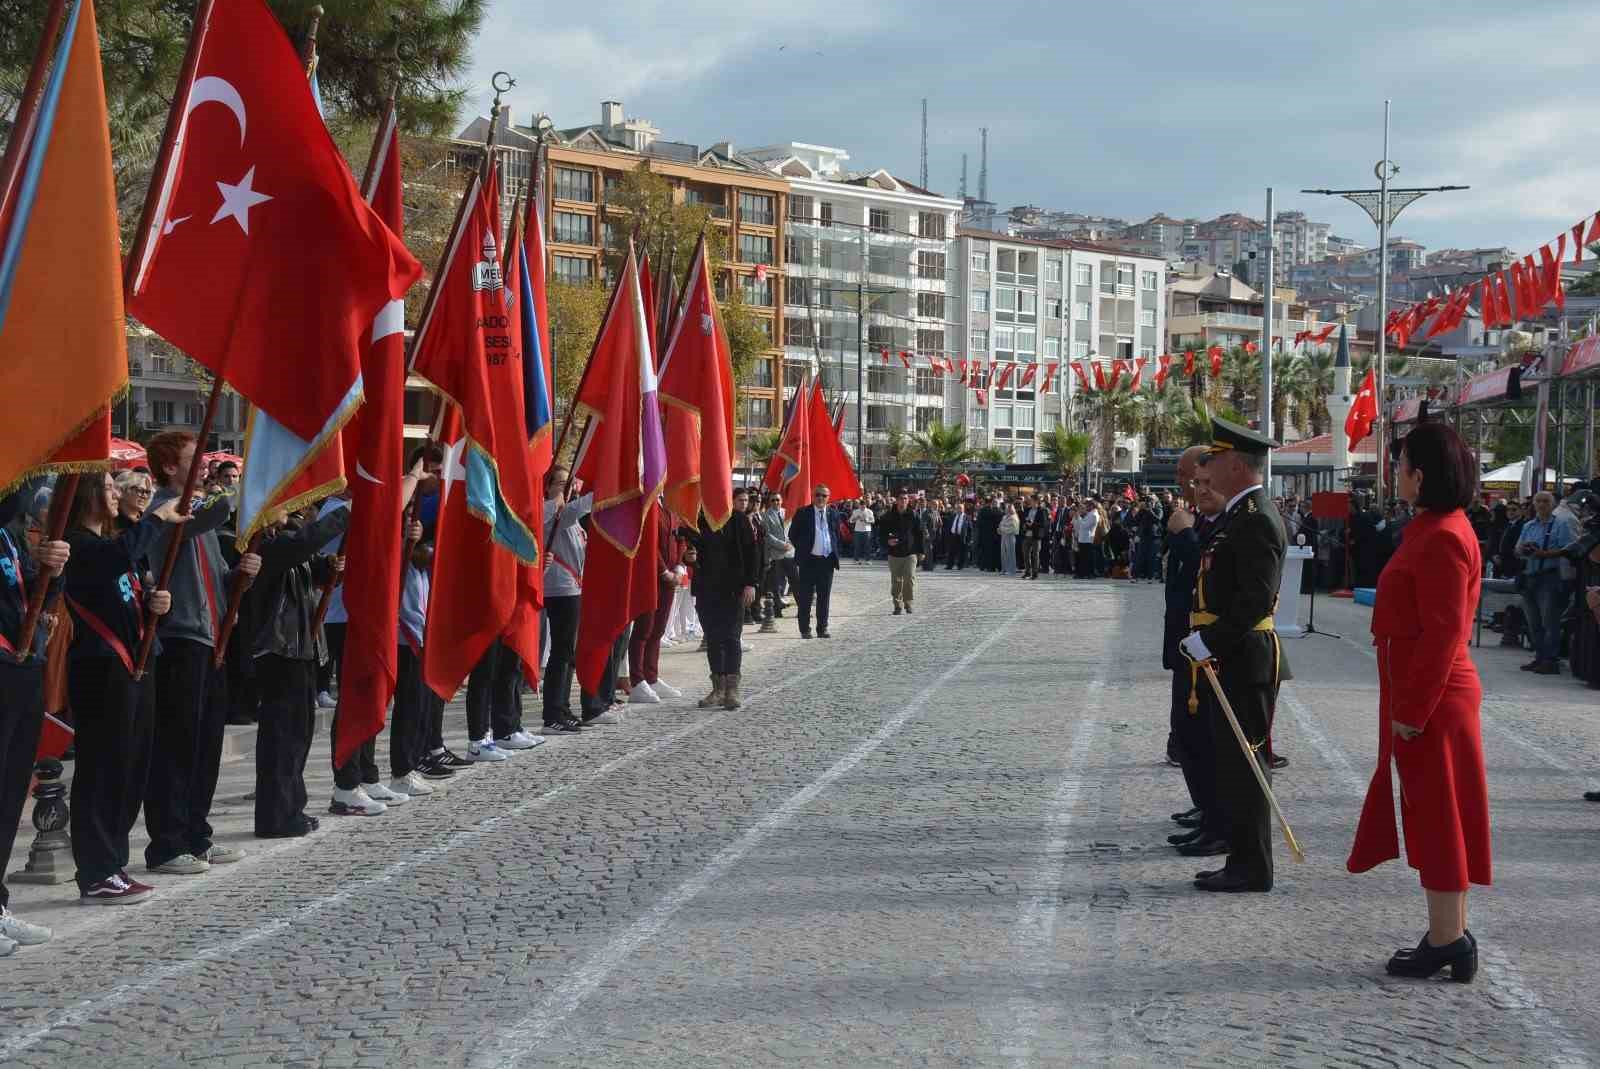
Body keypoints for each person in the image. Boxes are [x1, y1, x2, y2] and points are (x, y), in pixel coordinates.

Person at [1348, 422, 1489, 982]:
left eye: (1401, 463)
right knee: (1438, 814)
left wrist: (1413, 709)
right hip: (1425, 691)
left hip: (1435, 696)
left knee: (1439, 817)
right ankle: (1449, 932)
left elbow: (1445, 632)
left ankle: (1447, 940)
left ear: (1420, 475)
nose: (1395, 471)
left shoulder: (1444, 536)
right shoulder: (1432, 528)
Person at [61, 474, 189, 903]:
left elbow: (134, 593)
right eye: (109, 487)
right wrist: (155, 518)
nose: (116, 493)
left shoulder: (119, 546)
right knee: (102, 770)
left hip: (137, 664)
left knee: (131, 767)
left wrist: (159, 607)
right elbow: (115, 557)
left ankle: (114, 861)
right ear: (86, 495)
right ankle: (96, 869)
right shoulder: (79, 544)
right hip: (101, 667)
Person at [1178, 417, 1290, 894]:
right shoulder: (1238, 515)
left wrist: (1212, 640)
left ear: (1239, 465)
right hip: (1233, 655)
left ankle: (1254, 866)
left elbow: (1255, 599)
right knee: (1232, 762)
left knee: (1247, 764)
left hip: (1246, 656)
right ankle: (1241, 858)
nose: (1209, 467)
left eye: (1217, 459)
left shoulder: (1257, 518)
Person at [143, 431, 259, 876]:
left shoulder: (201, 518)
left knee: (206, 746)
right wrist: (234, 500)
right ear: (171, 466)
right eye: (197, 459)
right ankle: (167, 843)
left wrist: (242, 575)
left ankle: (196, 834)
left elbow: (219, 577)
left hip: (213, 639)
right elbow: (191, 525)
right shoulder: (163, 510)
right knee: (177, 746)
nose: (207, 466)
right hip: (181, 641)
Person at [246, 503, 348, 833]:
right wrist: (345, 511)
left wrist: (333, 567)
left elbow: (311, 566)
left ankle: (292, 807)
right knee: (281, 738)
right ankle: (275, 815)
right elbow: (301, 546)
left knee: (300, 735)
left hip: (301, 648)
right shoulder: (259, 544)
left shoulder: (286, 540)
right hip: (278, 650)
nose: (291, 508)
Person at [0, 483, 70, 946]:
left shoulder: (6, 535)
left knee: (9, 797)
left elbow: (33, 592)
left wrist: (54, 568)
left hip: (21, 668)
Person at [1163, 448, 1224, 860]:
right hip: (1187, 639)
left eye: (1195, 478)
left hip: (1205, 644)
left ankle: (1216, 821)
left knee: (1202, 737)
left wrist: (1185, 535)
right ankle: (1207, 812)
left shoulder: (1225, 522)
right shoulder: (1199, 515)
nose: (1189, 486)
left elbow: (1205, 568)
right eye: (1189, 480)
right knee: (1187, 735)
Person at [681, 485, 760, 708]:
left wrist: (750, 583)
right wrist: (689, 557)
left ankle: (732, 690)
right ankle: (718, 688)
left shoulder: (739, 520)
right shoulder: (699, 520)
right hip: (707, 589)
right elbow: (692, 554)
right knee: (713, 638)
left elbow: (752, 554)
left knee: (732, 637)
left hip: (734, 589)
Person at [541, 467, 590, 734]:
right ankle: (553, 713)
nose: (567, 487)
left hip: (572, 588)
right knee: (561, 653)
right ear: (548, 487)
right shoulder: (553, 511)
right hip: (559, 589)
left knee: (567, 653)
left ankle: (562, 706)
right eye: (560, 483)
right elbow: (581, 506)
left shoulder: (566, 513)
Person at [629, 501, 686, 701]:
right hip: (650, 576)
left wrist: (679, 567)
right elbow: (647, 543)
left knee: (658, 629)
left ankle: (651, 676)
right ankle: (637, 680)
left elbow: (680, 538)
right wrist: (663, 571)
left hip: (669, 578)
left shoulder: (670, 506)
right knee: (644, 628)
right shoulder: (648, 503)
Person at [1515, 490, 1575, 675]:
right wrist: (1524, 549)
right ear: (1534, 504)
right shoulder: (1529, 525)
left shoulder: (1561, 524)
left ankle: (1551, 660)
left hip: (1549, 576)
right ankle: (1540, 657)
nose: (1541, 505)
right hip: (1530, 575)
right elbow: (1517, 549)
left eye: (1546, 501)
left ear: (1554, 504)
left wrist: (1545, 554)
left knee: (1549, 621)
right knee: (1533, 621)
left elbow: (1569, 549)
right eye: (1538, 501)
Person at [790, 484, 840, 639]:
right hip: (808, 561)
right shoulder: (803, 512)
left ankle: (822, 628)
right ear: (813, 496)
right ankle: (805, 629)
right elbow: (793, 534)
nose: (820, 498)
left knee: (824, 597)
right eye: (818, 495)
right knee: (805, 597)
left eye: (824, 496)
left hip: (826, 561)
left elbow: (835, 534)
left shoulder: (833, 513)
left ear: (828, 498)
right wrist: (804, 549)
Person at [880, 489, 924, 614]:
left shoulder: (914, 515)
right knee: (897, 581)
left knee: (909, 578)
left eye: (905, 498)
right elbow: (881, 535)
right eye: (900, 498)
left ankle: (908, 603)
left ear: (908, 500)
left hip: (910, 553)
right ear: (896, 500)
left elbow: (919, 534)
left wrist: (921, 551)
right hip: (894, 554)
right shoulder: (888, 516)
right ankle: (897, 605)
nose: (903, 501)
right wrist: (887, 541)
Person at [849, 499, 874, 565]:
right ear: (859, 505)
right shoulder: (855, 511)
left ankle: (867, 560)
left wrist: (866, 520)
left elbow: (873, 521)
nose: (862, 507)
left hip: (867, 530)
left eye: (864, 505)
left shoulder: (869, 511)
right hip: (857, 530)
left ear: (866, 505)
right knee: (857, 546)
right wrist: (856, 518)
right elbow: (851, 520)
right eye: (861, 505)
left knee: (867, 546)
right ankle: (856, 560)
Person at [998, 504, 1019, 575]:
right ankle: (1004, 569)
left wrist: (1003, 528)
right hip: (1003, 536)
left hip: (1010, 536)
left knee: (1010, 553)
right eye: (1007, 508)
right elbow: (1000, 525)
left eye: (1010, 508)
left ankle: (1011, 570)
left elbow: (1013, 528)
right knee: (1003, 553)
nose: (1008, 510)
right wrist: (1001, 528)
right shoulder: (1004, 517)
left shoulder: (1014, 517)